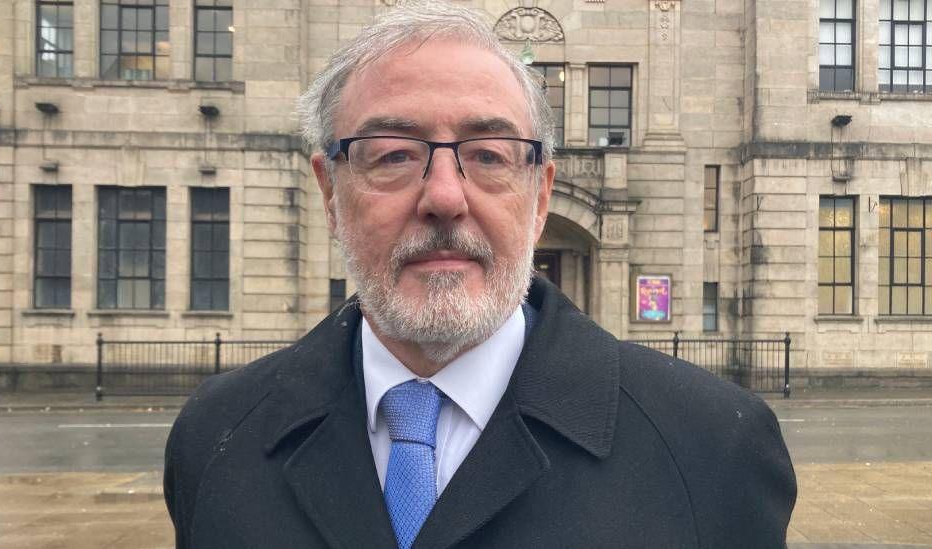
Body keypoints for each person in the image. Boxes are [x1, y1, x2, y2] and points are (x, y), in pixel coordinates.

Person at [164, 2, 797, 547]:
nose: (444, 196)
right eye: (393, 154)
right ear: (330, 191)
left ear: (540, 195)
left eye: (489, 155)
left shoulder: (712, 447)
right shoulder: (216, 437)